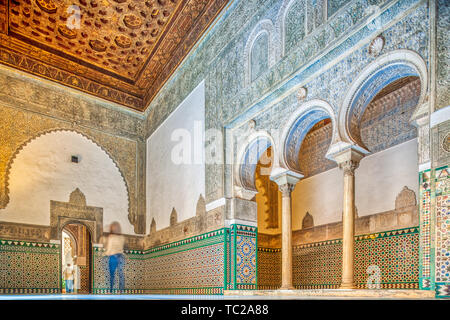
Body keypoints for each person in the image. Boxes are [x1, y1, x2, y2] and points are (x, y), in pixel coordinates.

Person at [103, 221, 125, 293]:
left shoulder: (111, 237)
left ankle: (111, 290)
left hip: (113, 257)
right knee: (121, 274)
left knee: (112, 275)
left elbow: (109, 249)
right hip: (121, 257)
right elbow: (121, 248)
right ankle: (121, 291)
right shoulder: (122, 237)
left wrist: (105, 253)